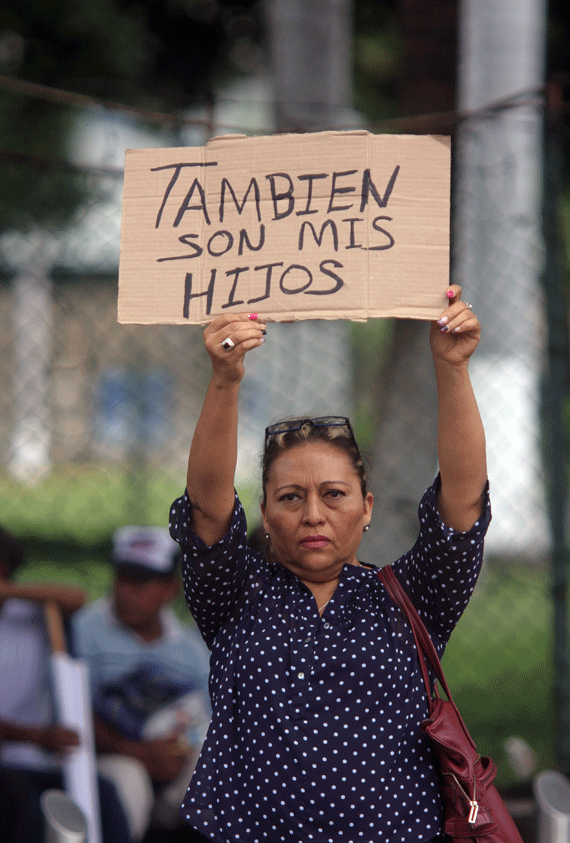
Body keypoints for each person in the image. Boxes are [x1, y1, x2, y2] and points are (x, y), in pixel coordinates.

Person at [168, 285, 491, 843]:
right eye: (291, 497)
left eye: (334, 495)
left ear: (366, 509)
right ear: (265, 515)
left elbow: (462, 503)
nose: (313, 514)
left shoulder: (411, 598)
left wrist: (453, 368)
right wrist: (225, 380)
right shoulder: (234, 594)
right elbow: (207, 506)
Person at [73, 526, 211, 843]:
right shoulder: (84, 630)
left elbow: (207, 719)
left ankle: (167, 823)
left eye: (141, 581)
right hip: (107, 754)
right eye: (122, 577)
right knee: (128, 783)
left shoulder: (191, 650)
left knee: (212, 766)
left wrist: (180, 748)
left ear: (169, 589)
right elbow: (74, 712)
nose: (126, 591)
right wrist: (139, 752)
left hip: (170, 761)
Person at [0, 525, 131, 843]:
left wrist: (7, 592)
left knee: (105, 795)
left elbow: (76, 597)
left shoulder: (29, 613)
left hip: (35, 761)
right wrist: (36, 736)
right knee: (18, 802)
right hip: (12, 765)